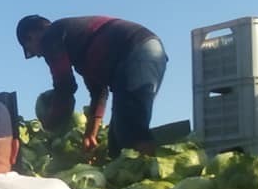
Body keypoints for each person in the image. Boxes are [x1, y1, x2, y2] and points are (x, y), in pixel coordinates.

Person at [16, 15, 168, 157]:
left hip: (136, 53)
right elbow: (99, 92)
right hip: (146, 53)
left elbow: (65, 86)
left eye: (29, 49)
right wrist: (90, 134)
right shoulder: (81, 47)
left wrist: (50, 126)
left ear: (30, 36)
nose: (37, 55)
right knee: (116, 144)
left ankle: (147, 171)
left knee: (131, 131)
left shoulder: (51, 36)